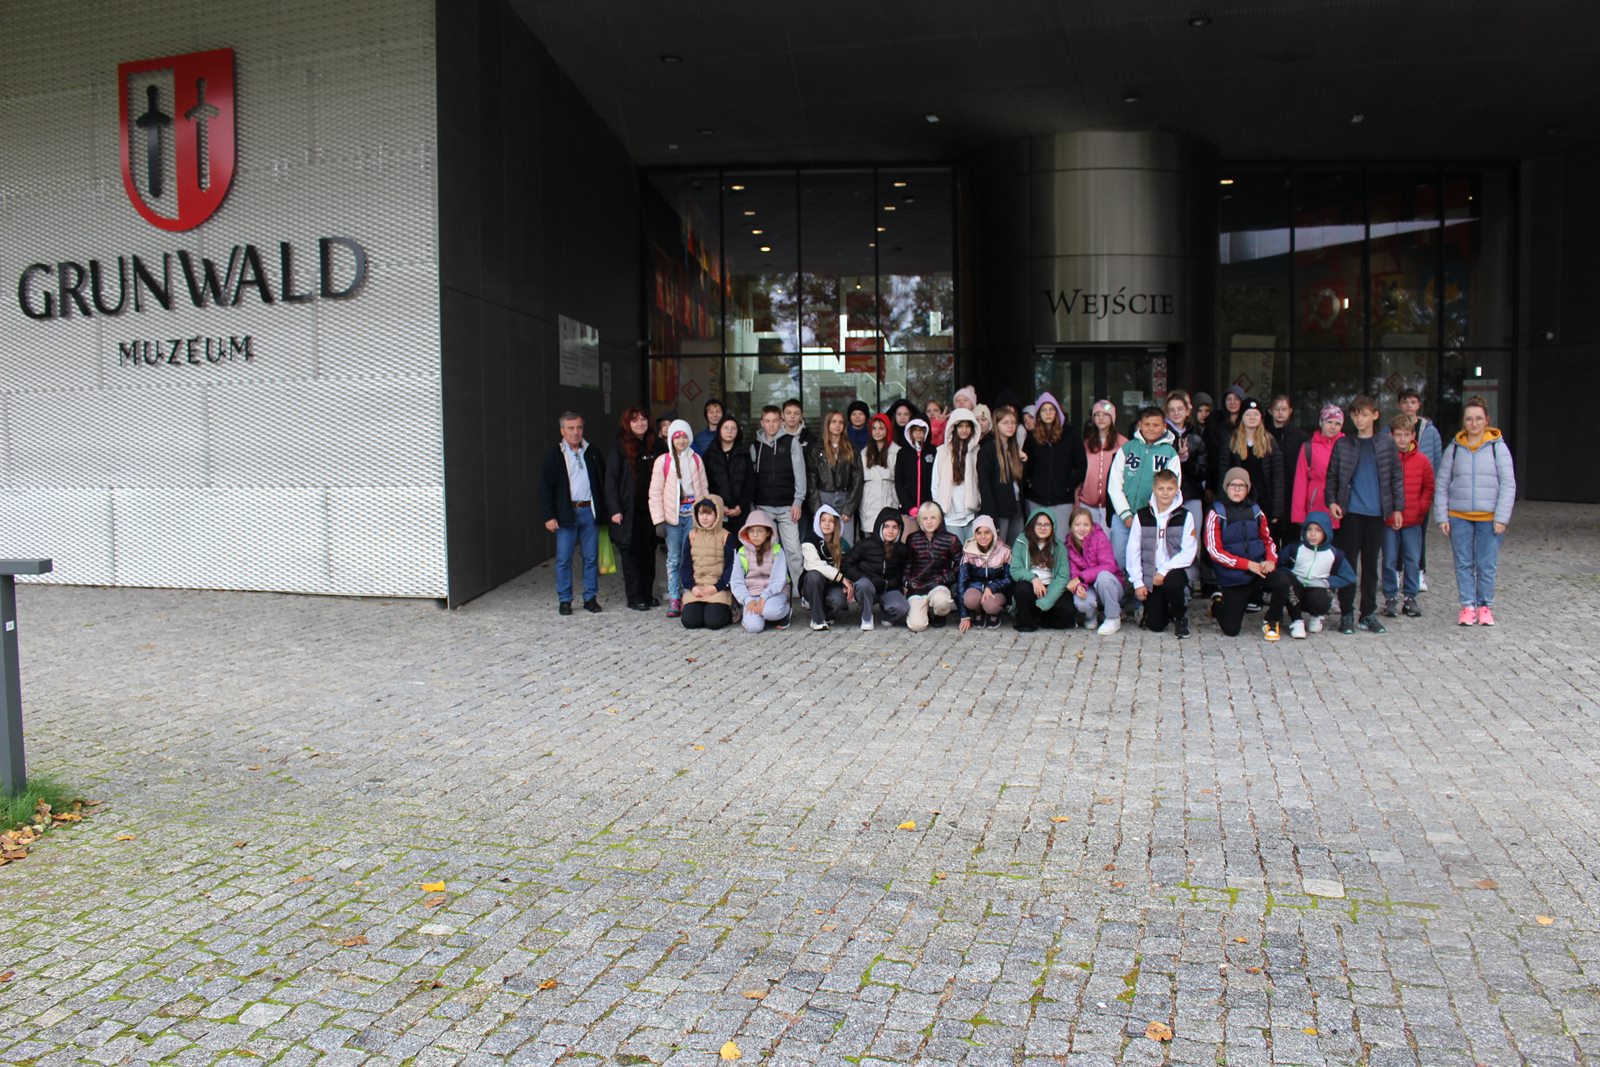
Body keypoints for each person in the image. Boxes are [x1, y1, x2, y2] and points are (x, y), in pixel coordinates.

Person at [1323, 396, 1404, 635]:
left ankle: (1367, 612)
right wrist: (1332, 501)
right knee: (1348, 564)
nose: (1360, 419)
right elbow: (1332, 476)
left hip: (1377, 513)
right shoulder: (1343, 444)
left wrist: (1397, 508)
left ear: (1375, 415)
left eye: (1365, 414)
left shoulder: (1386, 444)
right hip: (1351, 512)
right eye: (1356, 414)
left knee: (1371, 565)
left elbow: (1396, 477)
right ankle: (1347, 612)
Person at [1433, 396, 1516, 627]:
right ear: (1464, 421)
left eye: (1479, 418)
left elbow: (1508, 484)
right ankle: (1468, 606)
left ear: (1487, 420)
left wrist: (1502, 517)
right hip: (1459, 516)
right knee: (1463, 563)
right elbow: (1442, 483)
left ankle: (1484, 606)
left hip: (1489, 518)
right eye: (1469, 419)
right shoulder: (1454, 449)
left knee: (1486, 564)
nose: (1474, 423)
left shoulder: (1498, 448)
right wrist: (1442, 515)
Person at [1205, 467, 1293, 640]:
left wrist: (1270, 560)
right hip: (1234, 575)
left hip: (1259, 569)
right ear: (1226, 487)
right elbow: (1215, 551)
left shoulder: (1256, 511)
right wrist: (1247, 565)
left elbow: (1268, 540)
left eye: (1241, 486)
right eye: (1233, 485)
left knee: (1283, 581)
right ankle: (1217, 605)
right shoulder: (1216, 513)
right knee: (1231, 630)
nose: (1237, 490)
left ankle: (1272, 620)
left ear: (1248, 489)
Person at [538, 411, 606, 615]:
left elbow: (602, 482)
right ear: (562, 431)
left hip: (589, 510)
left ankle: (590, 597)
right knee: (564, 559)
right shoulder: (554, 456)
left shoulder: (593, 452)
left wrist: (605, 511)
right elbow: (545, 488)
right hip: (566, 513)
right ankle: (565, 599)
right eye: (570, 428)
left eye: (579, 428)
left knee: (591, 557)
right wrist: (549, 516)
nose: (575, 432)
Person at [1107, 406, 1181, 581]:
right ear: (1140, 424)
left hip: (1151, 518)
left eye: (1156, 425)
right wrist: (1126, 515)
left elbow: (1173, 487)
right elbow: (1114, 484)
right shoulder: (1127, 449)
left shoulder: (1170, 454)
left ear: (1164, 426)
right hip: (1124, 518)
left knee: (1146, 560)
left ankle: (1142, 594)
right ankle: (1123, 592)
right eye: (1147, 424)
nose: (1151, 429)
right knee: (1119, 558)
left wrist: (1152, 513)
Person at [648, 418, 708, 618]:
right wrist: (659, 520)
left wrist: (705, 513)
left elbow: (703, 488)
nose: (681, 441)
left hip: (692, 515)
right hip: (672, 518)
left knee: (691, 556)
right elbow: (655, 493)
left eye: (684, 437)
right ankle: (674, 596)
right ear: (671, 439)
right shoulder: (663, 461)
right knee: (674, 558)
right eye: (677, 437)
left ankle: (688, 593)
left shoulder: (696, 460)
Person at [1125, 469, 1196, 638]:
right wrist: (1138, 582)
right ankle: (1161, 609)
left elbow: (1189, 551)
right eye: (1161, 488)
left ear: (1176, 489)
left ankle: (1180, 617)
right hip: (1151, 574)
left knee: (1173, 583)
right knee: (1156, 625)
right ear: (1154, 489)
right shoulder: (1142, 516)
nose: (1165, 493)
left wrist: (1164, 571)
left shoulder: (1185, 516)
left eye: (1169, 489)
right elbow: (1133, 550)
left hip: (1174, 571)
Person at [1381, 414, 1434, 619]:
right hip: (1389, 521)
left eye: (1406, 435)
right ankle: (1390, 597)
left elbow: (1428, 487)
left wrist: (1421, 508)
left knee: (1412, 559)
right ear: (1391, 436)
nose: (1402, 439)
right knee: (1389, 560)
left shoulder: (1422, 460)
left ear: (1413, 435)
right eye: (1398, 435)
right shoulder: (1385, 460)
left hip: (1413, 520)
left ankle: (1410, 597)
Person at [604, 407, 656, 612]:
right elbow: (611, 480)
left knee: (648, 553)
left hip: (650, 510)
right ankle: (635, 597)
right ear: (628, 424)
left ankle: (647, 593)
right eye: (635, 421)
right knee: (630, 554)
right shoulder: (619, 446)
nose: (640, 424)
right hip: (628, 511)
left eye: (643, 419)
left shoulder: (655, 444)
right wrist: (614, 509)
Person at [750, 404, 807, 591]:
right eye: (767, 421)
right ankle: (769, 590)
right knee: (766, 552)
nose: (771, 424)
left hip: (787, 507)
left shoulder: (791, 442)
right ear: (762, 423)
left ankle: (801, 592)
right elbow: (751, 478)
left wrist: (798, 501)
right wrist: (753, 507)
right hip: (763, 507)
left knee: (794, 551)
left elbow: (800, 474)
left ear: (781, 422)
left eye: (775, 421)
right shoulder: (755, 446)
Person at [1281, 511, 1356, 639]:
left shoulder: (1334, 554)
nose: (1313, 534)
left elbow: (1349, 576)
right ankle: (1296, 620)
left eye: (1318, 530)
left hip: (1318, 590)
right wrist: (1292, 576)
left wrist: (1327, 582)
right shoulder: (1295, 549)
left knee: (1320, 598)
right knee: (1290, 587)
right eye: (1309, 529)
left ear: (1326, 532)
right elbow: (1279, 565)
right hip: (1296, 588)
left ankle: (1316, 617)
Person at [1397, 387, 1442, 590]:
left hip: (1420, 490)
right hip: (1398, 490)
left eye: (1413, 402)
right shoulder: (1391, 430)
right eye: (1405, 401)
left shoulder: (1430, 431)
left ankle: (1419, 572)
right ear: (1399, 405)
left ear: (1419, 405)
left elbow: (1437, 462)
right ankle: (1397, 571)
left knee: (1419, 534)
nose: (1409, 405)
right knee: (1395, 535)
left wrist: (1433, 491)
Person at [1022, 391, 1085, 538]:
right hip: (1036, 499)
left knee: (1060, 542)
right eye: (1044, 410)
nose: (1048, 413)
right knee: (1038, 541)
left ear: (1057, 412)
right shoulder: (1032, 437)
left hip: (1062, 500)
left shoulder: (1070, 434)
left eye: (1051, 409)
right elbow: (1025, 465)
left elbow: (1081, 465)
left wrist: (1069, 486)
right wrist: (1030, 484)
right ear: (1038, 414)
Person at [1216, 398, 1284, 527]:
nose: (1252, 417)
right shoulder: (1231, 441)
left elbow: (1278, 478)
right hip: (1237, 501)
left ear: (1261, 417)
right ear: (1242, 417)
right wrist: (1225, 503)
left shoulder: (1270, 442)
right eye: (1248, 414)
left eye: (1256, 414)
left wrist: (1277, 510)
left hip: (1264, 501)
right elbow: (1223, 474)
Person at [842, 508, 910, 630]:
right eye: (886, 526)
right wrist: (865, 578)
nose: (890, 531)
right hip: (868, 588)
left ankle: (887, 615)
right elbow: (846, 565)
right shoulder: (865, 545)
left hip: (889, 589)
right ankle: (866, 617)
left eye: (895, 527)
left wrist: (898, 584)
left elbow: (904, 569)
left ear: (900, 529)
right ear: (880, 527)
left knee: (902, 607)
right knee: (864, 584)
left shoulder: (902, 549)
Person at [1008, 509, 1075, 632]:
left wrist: (1048, 600)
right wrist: (1033, 579)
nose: (1042, 528)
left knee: (1068, 612)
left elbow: (1063, 576)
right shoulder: (1021, 542)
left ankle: (1042, 618)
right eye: (1038, 524)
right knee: (1022, 590)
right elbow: (1015, 569)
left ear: (1053, 527)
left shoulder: (1059, 547)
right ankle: (1028, 622)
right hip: (1030, 584)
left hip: (1051, 585)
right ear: (1032, 525)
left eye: (1047, 525)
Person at [1064, 505, 1126, 635]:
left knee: (1103, 577)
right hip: (1090, 587)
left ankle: (1113, 618)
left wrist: (1082, 578)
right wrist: (1079, 586)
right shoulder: (1070, 544)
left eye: (1086, 525)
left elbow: (1109, 565)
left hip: (1111, 586)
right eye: (1077, 525)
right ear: (1071, 527)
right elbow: (1074, 572)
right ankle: (1091, 615)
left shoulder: (1099, 538)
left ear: (1092, 526)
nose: (1082, 529)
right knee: (1082, 602)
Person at [679, 496, 737, 631]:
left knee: (714, 622)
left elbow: (731, 566)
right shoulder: (691, 536)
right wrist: (692, 587)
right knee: (689, 621)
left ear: (717, 514)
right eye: (701, 513)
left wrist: (717, 587)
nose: (704, 518)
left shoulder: (725, 536)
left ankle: (732, 613)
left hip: (718, 588)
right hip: (697, 588)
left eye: (709, 513)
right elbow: (685, 566)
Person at [903, 501, 963, 631]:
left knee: (942, 601)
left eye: (933, 518)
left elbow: (960, 565)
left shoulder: (951, 539)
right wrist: (907, 581)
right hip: (917, 587)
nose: (929, 522)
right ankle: (925, 613)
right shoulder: (912, 538)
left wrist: (944, 578)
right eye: (925, 518)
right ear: (920, 520)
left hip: (938, 585)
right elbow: (907, 563)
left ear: (939, 519)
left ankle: (939, 614)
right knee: (917, 625)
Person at [730, 511, 791, 633]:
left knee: (770, 612)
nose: (755, 535)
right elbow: (736, 581)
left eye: (760, 531)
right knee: (754, 628)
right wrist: (747, 600)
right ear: (746, 533)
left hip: (775, 593)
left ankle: (785, 611)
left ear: (768, 533)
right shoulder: (742, 552)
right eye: (751, 531)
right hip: (752, 595)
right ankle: (754, 616)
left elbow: (778, 579)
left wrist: (764, 597)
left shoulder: (777, 550)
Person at [808, 410, 863, 543]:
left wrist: (849, 508)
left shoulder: (851, 449)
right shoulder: (817, 449)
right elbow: (811, 480)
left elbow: (857, 479)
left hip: (845, 497)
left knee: (846, 541)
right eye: (834, 422)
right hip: (824, 497)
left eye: (841, 422)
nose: (837, 425)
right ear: (827, 424)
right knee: (824, 540)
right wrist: (817, 509)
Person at [977, 405, 1027, 545]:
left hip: (1016, 505)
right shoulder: (987, 449)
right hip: (998, 509)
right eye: (1005, 423)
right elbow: (984, 484)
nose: (1010, 426)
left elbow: (1019, 481)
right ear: (996, 425)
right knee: (999, 547)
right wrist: (990, 515)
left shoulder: (1014, 448)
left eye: (1013, 422)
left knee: (1018, 546)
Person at [1078, 399, 1127, 538]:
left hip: (1111, 507)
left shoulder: (1123, 443)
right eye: (1097, 414)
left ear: (1112, 418)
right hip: (1087, 504)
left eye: (1105, 414)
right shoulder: (1086, 444)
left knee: (1108, 544)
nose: (1101, 418)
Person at [931, 409, 982, 542]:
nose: (964, 430)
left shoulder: (976, 451)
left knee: (972, 551)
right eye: (960, 426)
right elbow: (935, 482)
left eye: (967, 426)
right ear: (953, 428)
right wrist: (939, 508)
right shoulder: (942, 452)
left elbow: (980, 481)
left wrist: (979, 502)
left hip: (971, 513)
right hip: (950, 514)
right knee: (956, 551)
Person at [800, 505, 853, 631]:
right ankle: (817, 619)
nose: (827, 524)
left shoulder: (843, 544)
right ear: (817, 522)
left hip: (832, 585)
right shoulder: (809, 541)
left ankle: (827, 613)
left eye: (831, 521)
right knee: (814, 575)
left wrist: (848, 583)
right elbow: (816, 564)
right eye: (823, 520)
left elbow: (849, 566)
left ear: (836, 524)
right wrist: (841, 578)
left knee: (839, 600)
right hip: (812, 584)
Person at [1291, 405, 1345, 528]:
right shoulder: (1309, 447)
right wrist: (1299, 515)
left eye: (1337, 423)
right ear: (1321, 422)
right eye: (1329, 422)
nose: (1333, 427)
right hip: (1317, 504)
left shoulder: (1347, 446)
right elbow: (1300, 481)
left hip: (1341, 505)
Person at [1266, 395, 1308, 547]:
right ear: (1270, 411)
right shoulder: (1263, 435)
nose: (1280, 413)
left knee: (1292, 545)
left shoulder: (1300, 437)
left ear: (1290, 411)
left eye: (1284, 409)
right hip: (1270, 496)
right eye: (1277, 409)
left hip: (1292, 495)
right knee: (1270, 543)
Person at [957, 515, 1011, 631]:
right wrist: (964, 616)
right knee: (970, 599)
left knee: (990, 605)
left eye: (987, 532)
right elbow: (962, 581)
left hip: (997, 590)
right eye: (979, 533)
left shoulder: (1004, 551)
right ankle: (977, 612)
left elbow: (1009, 579)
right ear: (974, 534)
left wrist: (991, 588)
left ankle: (994, 614)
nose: (983, 537)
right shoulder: (968, 552)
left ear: (993, 533)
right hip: (976, 587)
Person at [704, 415, 753, 533]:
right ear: (719, 430)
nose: (729, 431)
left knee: (741, 543)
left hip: (741, 512)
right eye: (726, 428)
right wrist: (719, 505)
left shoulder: (744, 453)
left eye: (733, 428)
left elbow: (751, 482)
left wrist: (741, 506)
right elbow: (706, 484)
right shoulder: (709, 454)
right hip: (717, 512)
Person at [859, 413, 900, 528]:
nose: (877, 432)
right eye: (874, 428)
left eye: (881, 428)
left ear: (888, 430)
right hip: (869, 505)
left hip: (889, 502)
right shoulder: (864, 453)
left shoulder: (897, 452)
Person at [894, 417, 936, 525]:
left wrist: (932, 505)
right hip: (907, 510)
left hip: (929, 511)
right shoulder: (903, 453)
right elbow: (899, 481)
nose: (918, 433)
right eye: (915, 430)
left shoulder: (933, 451)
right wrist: (908, 506)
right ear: (910, 432)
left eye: (921, 430)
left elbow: (936, 480)